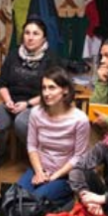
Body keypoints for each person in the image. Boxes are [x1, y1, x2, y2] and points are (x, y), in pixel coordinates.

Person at [17, 67, 90, 204]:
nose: (46, 93)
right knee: (16, 197)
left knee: (35, 201)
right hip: (40, 168)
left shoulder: (80, 119)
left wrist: (55, 176)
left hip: (65, 174)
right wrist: (39, 172)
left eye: (52, 88)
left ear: (65, 90)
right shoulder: (36, 113)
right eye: (44, 88)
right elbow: (32, 146)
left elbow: (79, 156)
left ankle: (66, 196)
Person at [0, 16, 60, 155]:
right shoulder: (13, 55)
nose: (30, 37)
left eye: (35, 34)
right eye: (27, 33)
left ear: (44, 38)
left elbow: (53, 91)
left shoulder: (50, 59)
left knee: (22, 122)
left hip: (37, 104)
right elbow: (1, 83)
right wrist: (8, 101)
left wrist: (28, 104)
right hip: (11, 103)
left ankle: (39, 156)